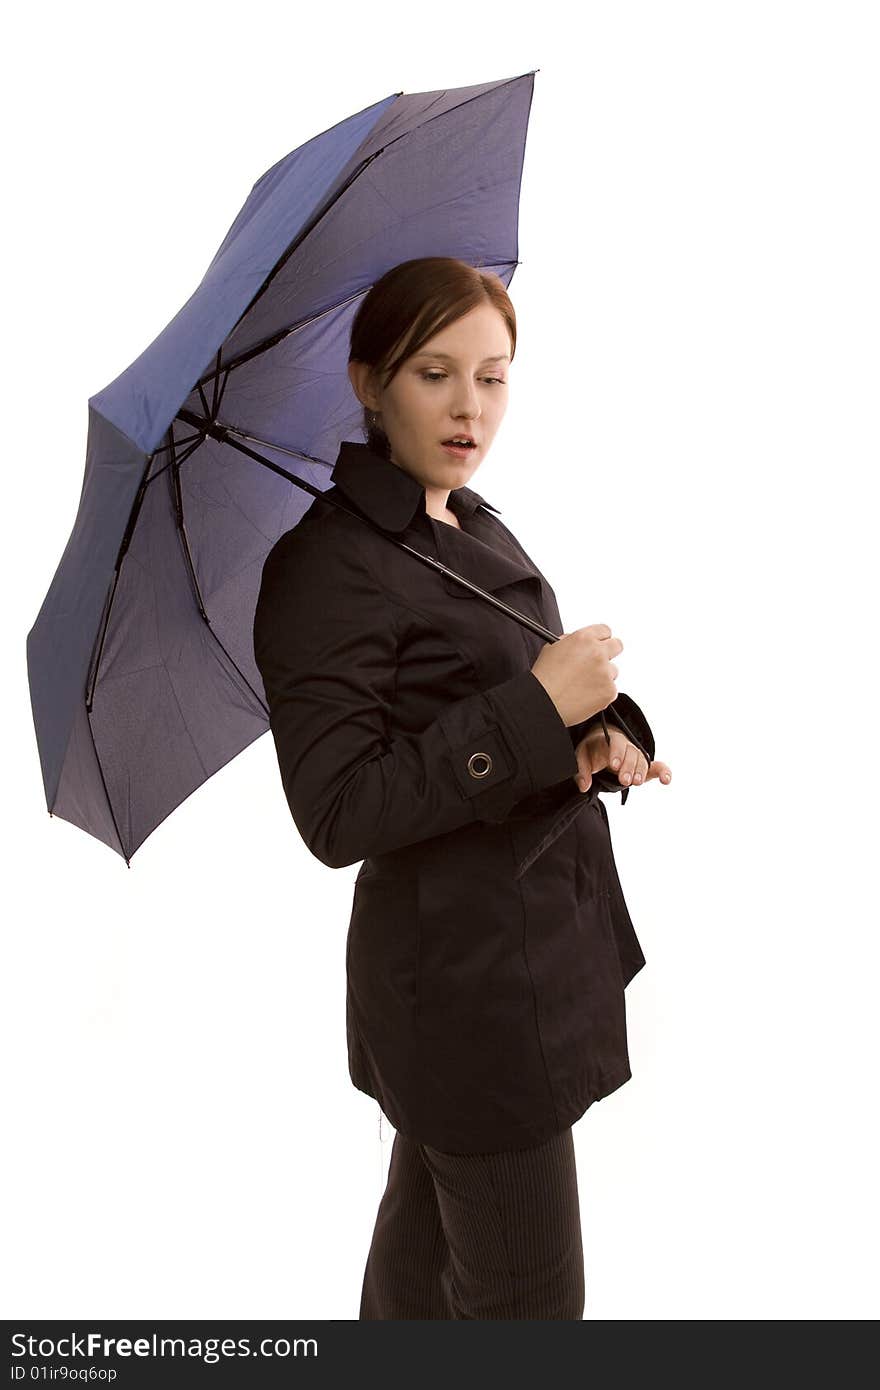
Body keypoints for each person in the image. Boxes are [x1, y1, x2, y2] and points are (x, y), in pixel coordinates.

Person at [252, 257, 672, 1320]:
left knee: (416, 1289)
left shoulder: (465, 521)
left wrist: (592, 734)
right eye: (434, 373)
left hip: (526, 957)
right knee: (525, 1312)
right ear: (368, 381)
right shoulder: (327, 566)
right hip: (470, 1001)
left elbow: (494, 701)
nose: (469, 406)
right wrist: (537, 708)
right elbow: (338, 808)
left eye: (493, 375)